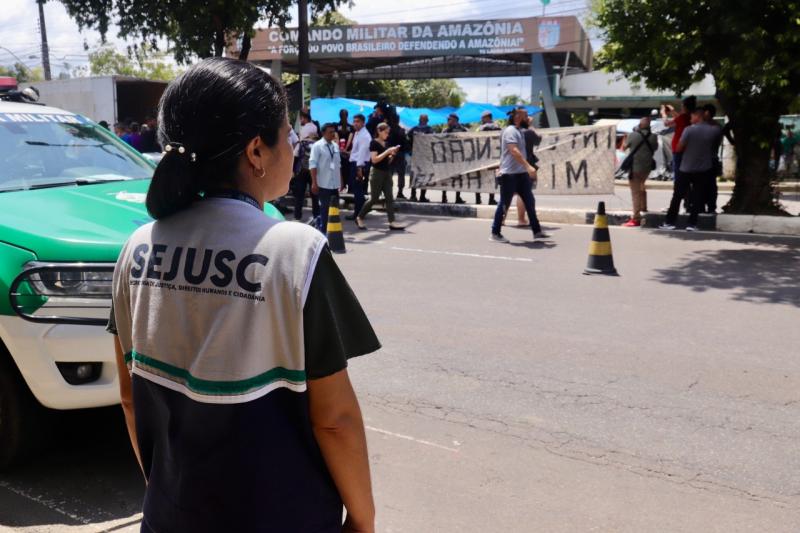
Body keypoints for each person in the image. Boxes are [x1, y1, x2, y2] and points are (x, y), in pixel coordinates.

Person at [107, 57, 378, 533]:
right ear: (256, 150)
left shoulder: (136, 248)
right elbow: (334, 419)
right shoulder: (294, 250)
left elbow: (130, 396)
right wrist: (363, 519)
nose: (295, 149)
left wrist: (167, 492)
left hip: (170, 515)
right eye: (288, 135)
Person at [490, 107, 548, 242]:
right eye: (526, 116)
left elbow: (536, 139)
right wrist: (528, 166)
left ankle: (537, 231)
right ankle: (495, 232)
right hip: (510, 175)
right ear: (517, 117)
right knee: (504, 204)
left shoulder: (519, 131)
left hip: (521, 174)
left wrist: (526, 169)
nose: (529, 118)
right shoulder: (510, 131)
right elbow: (514, 151)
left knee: (530, 202)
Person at [660, 107, 722, 231]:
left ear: (697, 117)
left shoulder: (689, 130)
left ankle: (670, 222)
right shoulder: (713, 130)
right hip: (704, 168)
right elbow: (718, 129)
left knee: (677, 195)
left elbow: (679, 148)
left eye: (692, 117)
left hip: (686, 167)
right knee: (698, 196)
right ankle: (692, 223)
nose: (690, 119)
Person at [355, 122, 404, 231]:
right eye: (385, 132)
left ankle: (392, 222)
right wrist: (387, 152)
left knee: (389, 198)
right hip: (376, 173)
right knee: (374, 198)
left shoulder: (386, 144)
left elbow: (387, 161)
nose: (387, 134)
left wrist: (392, 155)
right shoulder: (373, 143)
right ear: (379, 131)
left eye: (388, 132)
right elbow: (374, 160)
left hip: (386, 172)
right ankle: (359, 217)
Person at [662, 96, 696, 212]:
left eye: (682, 106)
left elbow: (667, 124)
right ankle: (688, 203)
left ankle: (678, 204)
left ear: (685, 107)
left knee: (679, 179)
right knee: (688, 177)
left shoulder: (682, 118)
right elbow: (679, 119)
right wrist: (672, 111)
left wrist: (664, 114)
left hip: (679, 151)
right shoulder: (690, 118)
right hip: (689, 151)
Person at [622, 116, 658, 227]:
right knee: (642, 185)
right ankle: (644, 207)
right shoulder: (654, 137)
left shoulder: (632, 135)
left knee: (635, 192)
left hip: (635, 168)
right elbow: (655, 148)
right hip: (647, 168)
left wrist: (625, 138)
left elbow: (623, 147)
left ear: (640, 125)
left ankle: (636, 218)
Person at [309, 123, 344, 234]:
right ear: (323, 133)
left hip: (334, 183)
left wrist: (341, 180)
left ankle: (327, 228)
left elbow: (338, 165)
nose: (333, 134)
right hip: (323, 183)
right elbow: (312, 165)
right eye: (330, 132)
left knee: (334, 209)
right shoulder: (317, 146)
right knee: (325, 209)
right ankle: (324, 232)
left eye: (334, 132)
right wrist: (314, 182)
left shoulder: (335, 146)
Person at [292, 110, 320, 222]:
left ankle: (297, 216)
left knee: (299, 195)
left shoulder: (302, 142)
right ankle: (316, 215)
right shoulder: (318, 144)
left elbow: (295, 155)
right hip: (314, 171)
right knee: (315, 194)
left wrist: (293, 170)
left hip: (302, 170)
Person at [347, 113, 371, 219]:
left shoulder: (364, 135)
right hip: (356, 163)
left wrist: (359, 168)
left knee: (358, 191)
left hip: (359, 165)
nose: (355, 124)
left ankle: (359, 214)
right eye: (354, 121)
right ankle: (359, 212)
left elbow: (362, 153)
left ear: (363, 123)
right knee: (357, 190)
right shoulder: (358, 133)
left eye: (358, 121)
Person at [476, 110, 500, 206]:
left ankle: (478, 199)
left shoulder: (480, 128)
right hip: (494, 156)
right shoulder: (497, 127)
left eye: (483, 118)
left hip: (482, 156)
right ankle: (491, 199)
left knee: (479, 178)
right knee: (493, 178)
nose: (481, 119)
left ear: (487, 117)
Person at [407, 114, 433, 202]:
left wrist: (411, 149)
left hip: (416, 155)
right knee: (423, 176)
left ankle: (413, 196)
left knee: (414, 175)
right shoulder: (429, 129)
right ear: (427, 120)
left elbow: (408, 138)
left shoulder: (414, 129)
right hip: (424, 156)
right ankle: (422, 196)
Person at [443, 113, 467, 204]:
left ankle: (457, 197)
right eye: (448, 119)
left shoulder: (462, 129)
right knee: (445, 177)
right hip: (448, 158)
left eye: (450, 119)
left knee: (458, 178)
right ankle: (444, 197)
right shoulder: (446, 130)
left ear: (456, 120)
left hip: (458, 158)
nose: (448, 121)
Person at [702, 104, 723, 213]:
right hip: (710, 158)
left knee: (709, 185)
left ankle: (710, 206)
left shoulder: (713, 127)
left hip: (709, 159)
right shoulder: (716, 126)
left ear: (707, 113)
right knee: (708, 184)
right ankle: (708, 206)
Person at [386, 112, 409, 200]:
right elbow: (405, 143)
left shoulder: (389, 130)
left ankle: (392, 192)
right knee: (399, 174)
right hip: (398, 154)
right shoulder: (400, 130)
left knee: (391, 174)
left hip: (392, 154)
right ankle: (399, 192)